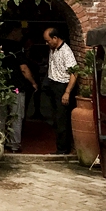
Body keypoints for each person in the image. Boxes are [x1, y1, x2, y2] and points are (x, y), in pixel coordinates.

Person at [1, 26, 38, 153]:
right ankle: (14, 144)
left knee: (1, 115)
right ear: (14, 31)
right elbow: (24, 69)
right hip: (16, 87)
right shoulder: (16, 48)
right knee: (16, 116)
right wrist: (33, 82)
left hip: (1, 86)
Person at [43, 26, 78, 155]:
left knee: (62, 118)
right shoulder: (53, 49)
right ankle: (60, 146)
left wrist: (67, 92)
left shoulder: (66, 52)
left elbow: (74, 73)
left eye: (48, 40)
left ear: (55, 38)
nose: (47, 43)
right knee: (56, 118)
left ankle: (63, 149)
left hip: (62, 86)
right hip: (53, 83)